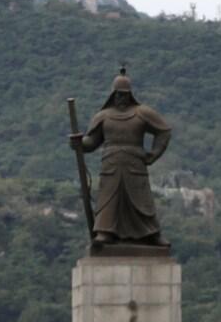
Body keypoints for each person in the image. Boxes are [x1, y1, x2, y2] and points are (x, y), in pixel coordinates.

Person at [70, 67, 171, 247]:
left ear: (130, 94)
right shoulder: (103, 116)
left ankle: (151, 234)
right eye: (118, 94)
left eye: (125, 94)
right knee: (109, 198)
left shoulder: (142, 112)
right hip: (111, 163)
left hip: (135, 163)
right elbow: (91, 142)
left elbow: (163, 131)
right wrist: (79, 143)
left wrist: (154, 154)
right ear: (112, 94)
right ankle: (105, 232)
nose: (121, 98)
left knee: (140, 200)